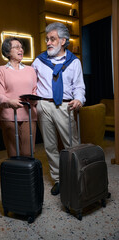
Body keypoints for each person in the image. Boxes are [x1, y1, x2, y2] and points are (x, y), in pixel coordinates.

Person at [32, 22, 86, 195]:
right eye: (47, 39)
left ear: (63, 41)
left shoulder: (74, 62)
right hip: (44, 105)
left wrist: (79, 99)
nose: (48, 42)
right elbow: (30, 82)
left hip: (66, 106)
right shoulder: (39, 61)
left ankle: (77, 178)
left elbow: (79, 86)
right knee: (50, 146)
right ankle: (58, 179)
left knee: (72, 145)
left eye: (52, 39)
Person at [0, 37, 37, 157]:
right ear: (8, 52)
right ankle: (16, 175)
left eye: (21, 47)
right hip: (9, 115)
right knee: (13, 153)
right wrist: (9, 102)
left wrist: (34, 99)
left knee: (28, 152)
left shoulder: (31, 70)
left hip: (29, 114)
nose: (21, 49)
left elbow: (34, 90)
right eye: (17, 47)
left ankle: (27, 176)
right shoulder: (1, 70)